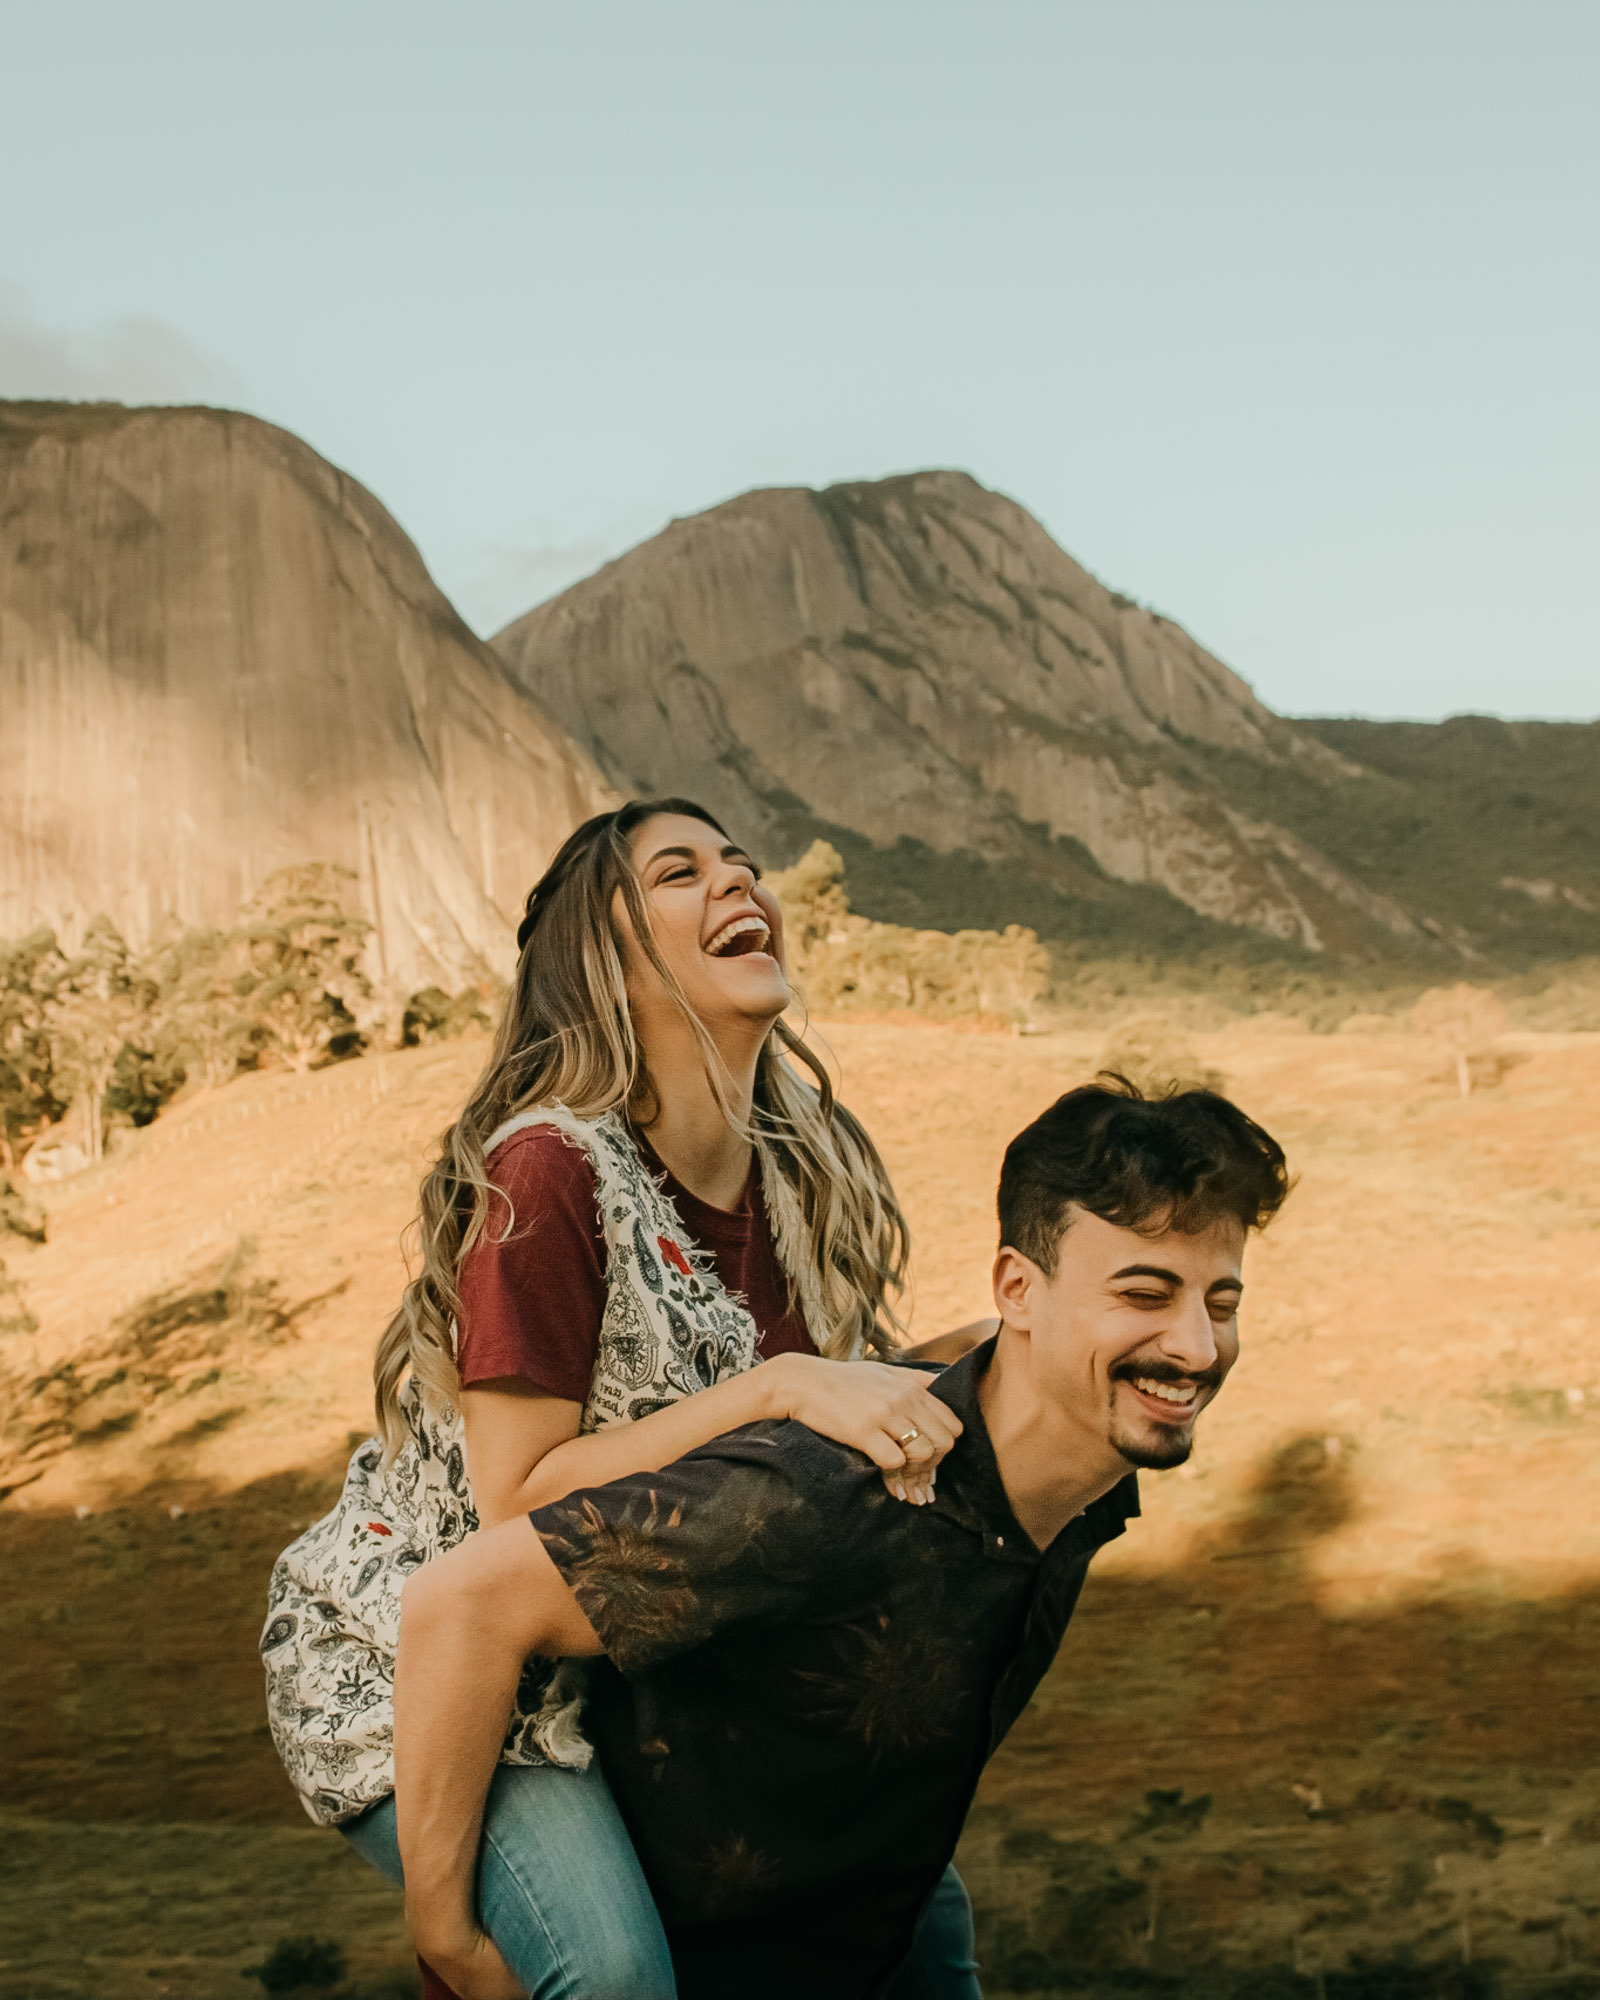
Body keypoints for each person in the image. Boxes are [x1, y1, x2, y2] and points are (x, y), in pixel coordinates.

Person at [260, 798, 988, 2000]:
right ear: (605, 954)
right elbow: (518, 1502)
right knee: (608, 1972)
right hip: (436, 1668)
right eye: (679, 871)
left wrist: (1007, 1351)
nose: (737, 882)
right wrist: (780, 1386)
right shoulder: (545, 1171)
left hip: (640, 1664)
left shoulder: (795, 1171)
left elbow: (801, 1417)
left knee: (914, 1916)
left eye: (742, 864)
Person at [392, 1076, 1291, 2000]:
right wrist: (446, 1936)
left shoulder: (1090, 1466)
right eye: (1145, 1294)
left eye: (1221, 1303)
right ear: (1019, 1290)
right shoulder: (832, 1492)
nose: (1196, 1347)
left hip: (855, 1928)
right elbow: (465, 1604)